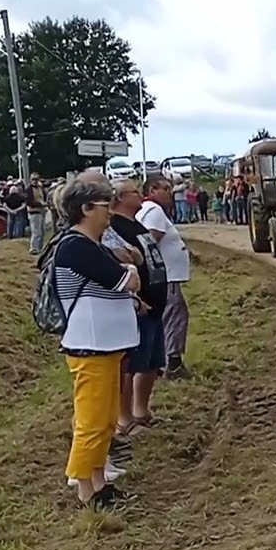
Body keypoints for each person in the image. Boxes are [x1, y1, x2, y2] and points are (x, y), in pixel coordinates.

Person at [53, 178, 141, 509]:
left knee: (104, 419)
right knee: (91, 421)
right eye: (105, 206)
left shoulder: (91, 245)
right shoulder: (76, 246)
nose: (110, 213)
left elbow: (129, 275)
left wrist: (128, 270)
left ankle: (99, 481)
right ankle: (86, 490)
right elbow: (127, 279)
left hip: (105, 344)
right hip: (90, 345)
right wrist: (128, 269)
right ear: (86, 209)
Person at [110, 179, 168, 437]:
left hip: (155, 304)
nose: (140, 195)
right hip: (138, 306)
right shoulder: (114, 226)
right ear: (121, 198)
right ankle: (124, 418)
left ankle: (141, 410)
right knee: (131, 366)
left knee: (151, 362)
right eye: (135, 192)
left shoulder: (136, 224)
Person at [137, 174, 193, 379]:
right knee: (174, 315)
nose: (171, 193)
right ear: (152, 190)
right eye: (166, 189)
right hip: (165, 276)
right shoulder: (154, 211)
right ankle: (172, 362)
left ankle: (162, 361)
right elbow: (149, 243)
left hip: (164, 276)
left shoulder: (149, 210)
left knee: (170, 315)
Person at [27, 173, 47, 253]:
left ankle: (40, 248)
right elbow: (28, 201)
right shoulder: (29, 189)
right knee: (36, 231)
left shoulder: (40, 188)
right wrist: (40, 204)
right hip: (34, 211)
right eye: (33, 179)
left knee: (42, 232)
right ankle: (34, 248)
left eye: (36, 179)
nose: (35, 181)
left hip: (41, 211)